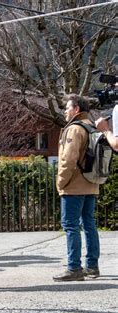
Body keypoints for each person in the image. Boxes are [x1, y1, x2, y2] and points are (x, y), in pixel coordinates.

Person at [53, 94, 100, 282]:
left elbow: (68, 160)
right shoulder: (92, 127)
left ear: (77, 109)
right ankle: (92, 266)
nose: (65, 111)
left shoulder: (74, 129)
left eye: (68, 107)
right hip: (91, 184)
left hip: (74, 186)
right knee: (89, 225)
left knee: (71, 226)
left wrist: (60, 182)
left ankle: (74, 267)